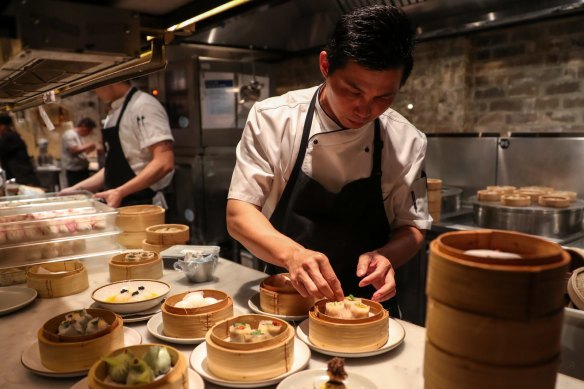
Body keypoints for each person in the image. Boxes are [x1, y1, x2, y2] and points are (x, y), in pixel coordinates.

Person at [226, 5, 431, 310]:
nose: (365, 109)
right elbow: (239, 215)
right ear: (325, 65)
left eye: (383, 97)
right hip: (287, 297)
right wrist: (292, 255)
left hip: (367, 306)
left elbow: (413, 227)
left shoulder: (407, 140)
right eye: (352, 90)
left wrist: (387, 255)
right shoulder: (275, 118)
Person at [64, 81, 175, 207]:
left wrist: (120, 191)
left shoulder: (144, 106)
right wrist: (76, 190)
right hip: (120, 202)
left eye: (96, 86)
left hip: (144, 205)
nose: (95, 92)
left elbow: (164, 162)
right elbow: (113, 169)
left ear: (112, 80)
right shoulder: (114, 113)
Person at [0, 114, 40, 187]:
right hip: (22, 178)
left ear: (2, 126)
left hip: (24, 179)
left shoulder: (9, 137)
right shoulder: (11, 135)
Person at [61, 117, 97, 186]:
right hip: (73, 171)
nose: (89, 133)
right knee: (75, 191)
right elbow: (74, 150)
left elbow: (81, 152)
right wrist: (89, 145)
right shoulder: (70, 134)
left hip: (81, 169)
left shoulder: (79, 136)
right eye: (89, 130)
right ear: (83, 127)